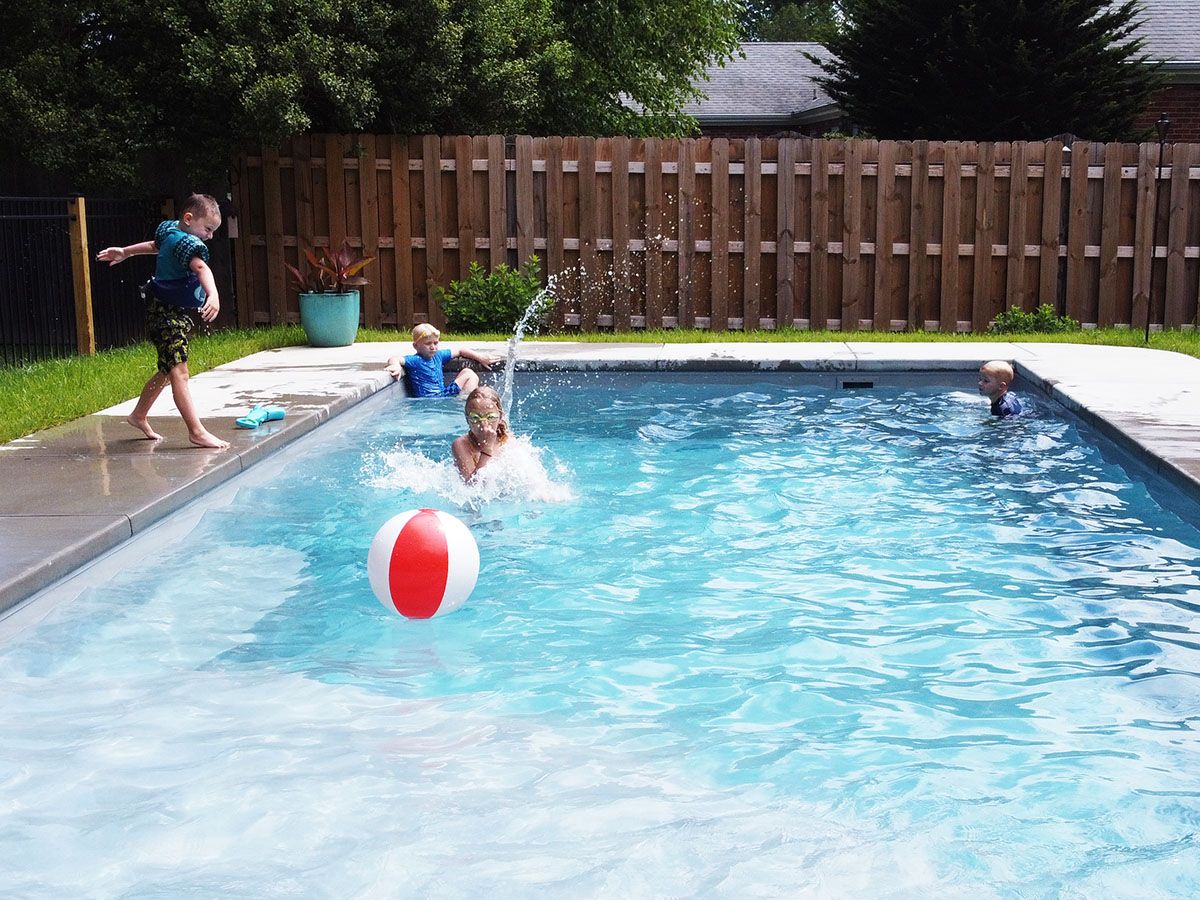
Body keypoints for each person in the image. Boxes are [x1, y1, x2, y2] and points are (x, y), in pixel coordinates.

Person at [96, 193, 229, 449]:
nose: (210, 236)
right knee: (180, 371)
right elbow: (202, 268)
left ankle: (138, 415)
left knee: (168, 369)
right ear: (189, 219)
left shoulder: (171, 232)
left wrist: (126, 252)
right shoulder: (188, 244)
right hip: (166, 315)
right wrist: (213, 294)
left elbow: (156, 246)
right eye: (208, 229)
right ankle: (196, 431)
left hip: (165, 311)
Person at [385, 324, 499, 397]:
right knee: (470, 375)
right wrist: (395, 365)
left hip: (442, 394)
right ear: (416, 346)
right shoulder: (415, 360)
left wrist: (481, 357)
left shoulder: (438, 355)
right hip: (430, 399)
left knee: (468, 372)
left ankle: (463, 398)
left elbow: (460, 350)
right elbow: (394, 358)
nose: (433, 347)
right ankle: (463, 401)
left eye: (435, 343)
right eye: (428, 343)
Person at [452, 386, 510, 480]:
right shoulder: (461, 445)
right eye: (475, 418)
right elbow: (472, 487)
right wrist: (487, 450)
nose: (483, 425)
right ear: (467, 420)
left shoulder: (506, 441)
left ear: (500, 418)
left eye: (491, 417)